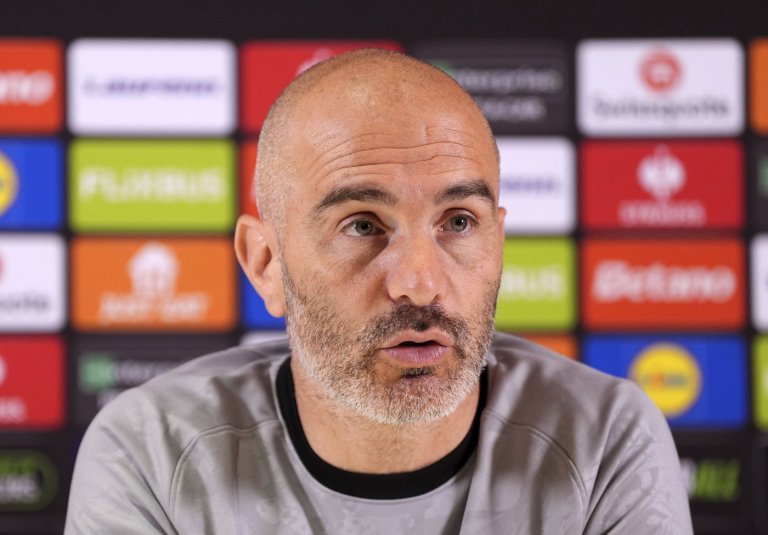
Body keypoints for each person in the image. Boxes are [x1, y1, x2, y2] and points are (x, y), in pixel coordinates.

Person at [65, 49, 693, 534]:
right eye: (362, 226)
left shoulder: (605, 440)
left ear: (498, 242)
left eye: (458, 223)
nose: (420, 283)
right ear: (265, 263)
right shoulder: (150, 451)